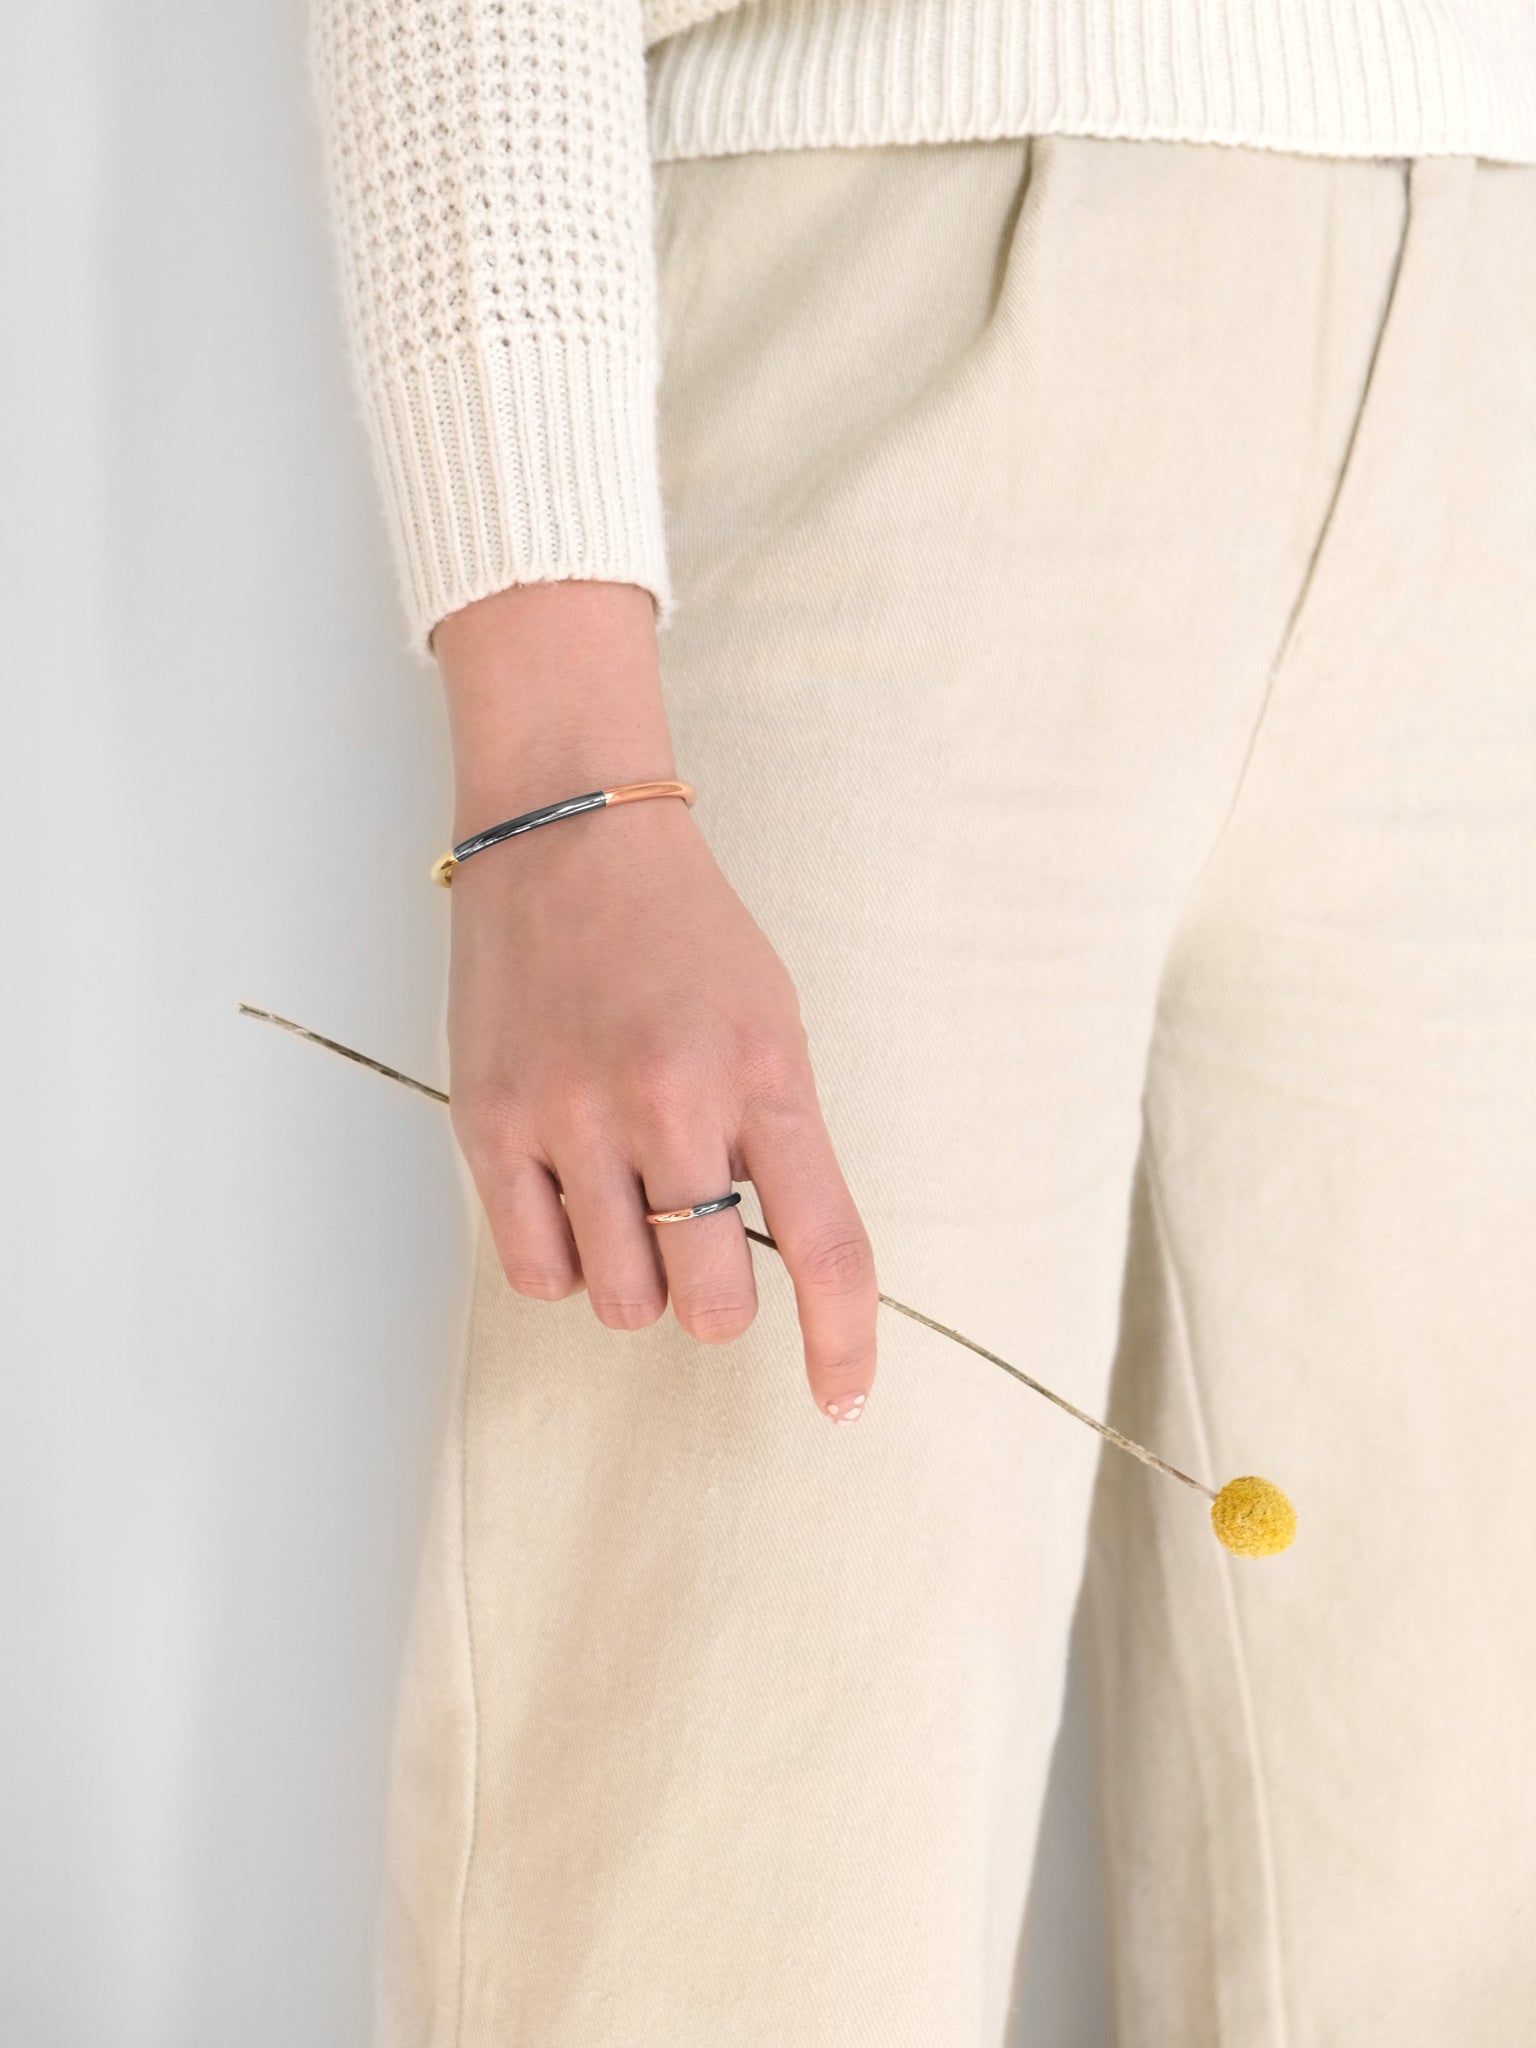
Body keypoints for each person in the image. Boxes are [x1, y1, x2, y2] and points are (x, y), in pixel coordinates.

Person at [308, 2, 1536, 2041]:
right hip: (891, 289)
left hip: (1494, 323)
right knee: (748, 1855)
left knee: (1459, 1883)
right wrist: (561, 758)